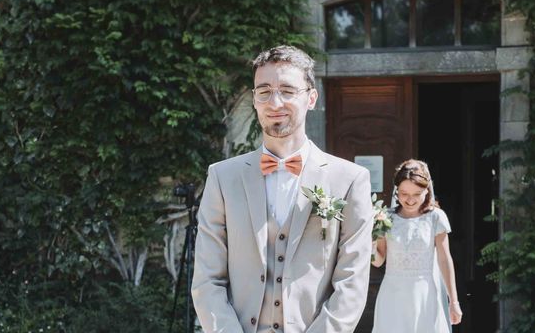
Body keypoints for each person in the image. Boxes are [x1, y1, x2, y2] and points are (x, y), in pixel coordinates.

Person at [192, 45, 373, 333]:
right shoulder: (222, 178)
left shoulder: (350, 180)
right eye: (264, 91)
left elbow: (351, 283)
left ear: (311, 98)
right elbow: (207, 279)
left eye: (287, 91)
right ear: (254, 100)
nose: (275, 102)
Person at [371, 159, 462, 333]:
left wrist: (454, 302)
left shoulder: (436, 217)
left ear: (426, 191)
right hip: (392, 295)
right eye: (404, 193)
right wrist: (371, 243)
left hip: (425, 294)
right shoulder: (385, 217)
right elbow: (378, 261)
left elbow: (444, 259)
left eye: (417, 194)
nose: (410, 200)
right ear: (397, 191)